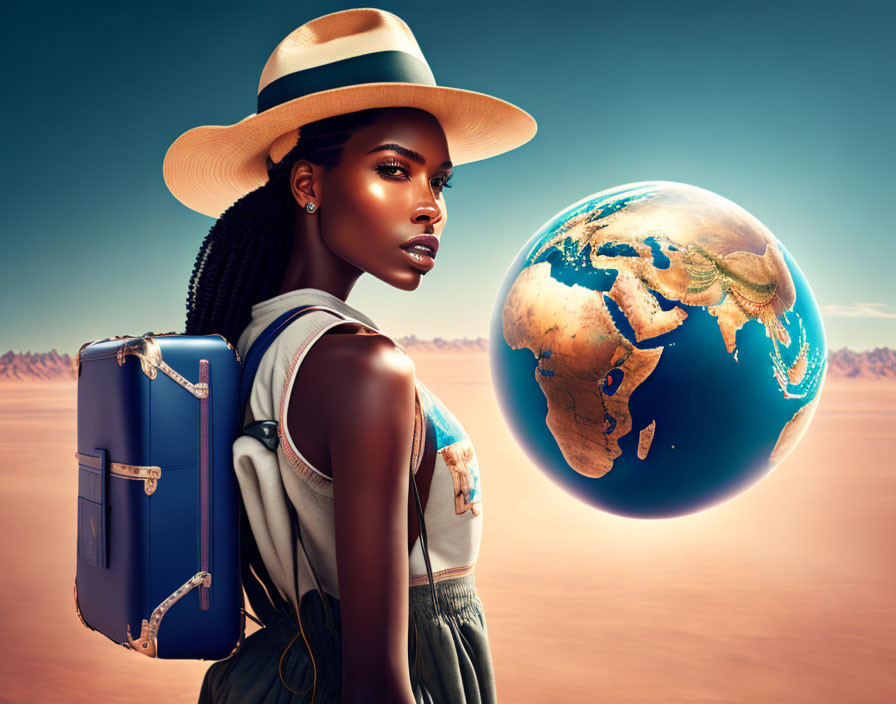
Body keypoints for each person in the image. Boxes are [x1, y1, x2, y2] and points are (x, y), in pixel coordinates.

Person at [164, 8, 536, 703]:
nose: (430, 207)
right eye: (395, 170)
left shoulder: (252, 342)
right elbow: (374, 681)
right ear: (308, 185)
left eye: (439, 181)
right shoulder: (364, 369)